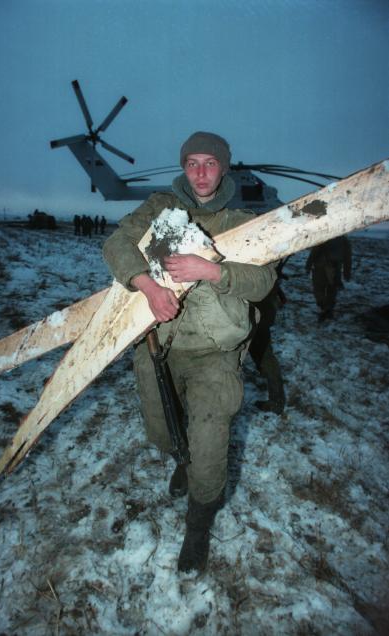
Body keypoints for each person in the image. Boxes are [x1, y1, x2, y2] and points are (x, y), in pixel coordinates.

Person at [103, 132, 277, 573]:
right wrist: (147, 286)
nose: (201, 172)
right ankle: (180, 457)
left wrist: (212, 270)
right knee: (162, 432)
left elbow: (263, 282)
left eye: (210, 163)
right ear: (184, 168)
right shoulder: (160, 209)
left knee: (210, 444)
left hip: (216, 353)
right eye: (192, 163)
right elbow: (116, 244)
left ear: (224, 168)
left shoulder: (242, 219)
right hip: (159, 347)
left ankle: (198, 527)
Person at [248, 281, 285, 415]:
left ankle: (277, 401)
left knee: (265, 356)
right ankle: (265, 372)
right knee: (260, 354)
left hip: (258, 312)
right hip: (260, 309)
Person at [305, 236, 352, 321]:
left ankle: (324, 307)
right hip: (333, 268)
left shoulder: (325, 235)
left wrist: (308, 265)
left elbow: (314, 252)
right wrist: (346, 273)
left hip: (321, 267)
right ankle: (327, 308)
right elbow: (348, 257)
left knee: (319, 289)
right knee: (331, 290)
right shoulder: (344, 239)